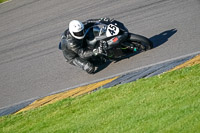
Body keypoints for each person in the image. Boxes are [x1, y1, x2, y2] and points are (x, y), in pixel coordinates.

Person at [59, 18, 128, 74]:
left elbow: (89, 22)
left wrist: (102, 20)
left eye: (81, 31)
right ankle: (99, 59)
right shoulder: (71, 43)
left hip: (81, 43)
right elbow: (82, 54)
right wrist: (96, 51)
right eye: (78, 33)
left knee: (92, 34)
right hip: (74, 56)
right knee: (90, 68)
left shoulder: (80, 27)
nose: (80, 33)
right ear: (72, 32)